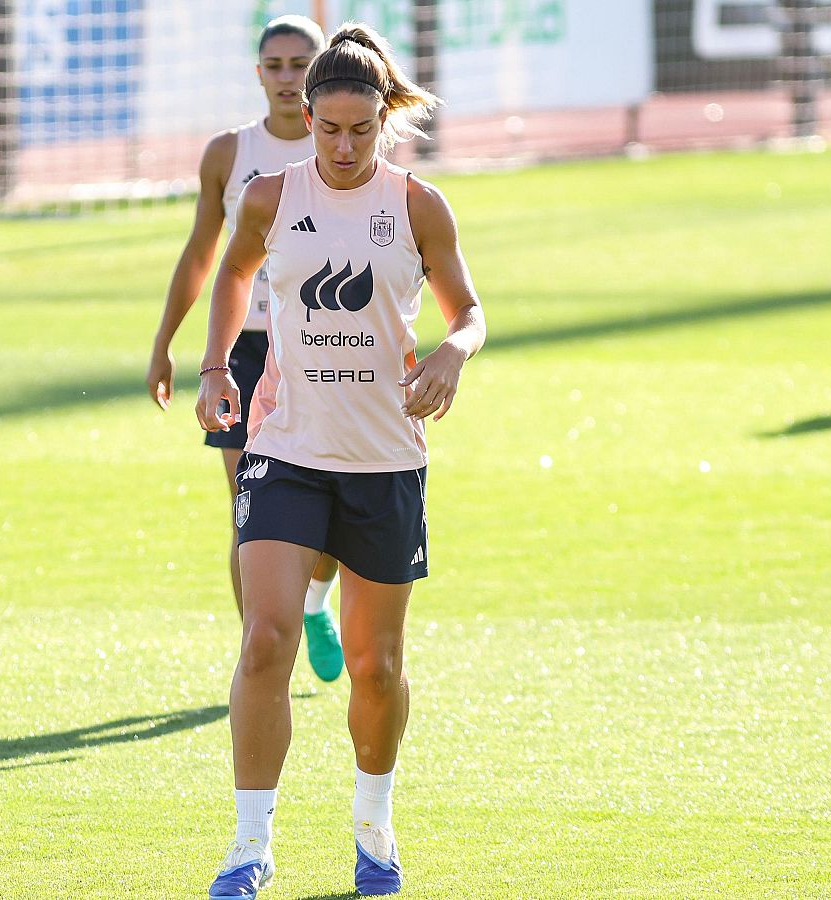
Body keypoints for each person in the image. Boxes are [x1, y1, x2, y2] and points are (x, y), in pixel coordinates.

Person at [195, 22, 484, 899]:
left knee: (376, 666)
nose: (346, 145)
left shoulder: (418, 205)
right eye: (331, 129)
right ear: (305, 115)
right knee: (266, 640)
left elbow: (469, 310)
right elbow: (234, 276)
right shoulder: (270, 198)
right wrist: (214, 366)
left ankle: (373, 827)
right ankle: (249, 847)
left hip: (387, 461)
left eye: (363, 129)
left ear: (384, 121)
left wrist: (450, 353)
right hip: (286, 450)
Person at [147, 15, 345, 682]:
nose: (288, 78)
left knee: (331, 520)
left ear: (322, 71)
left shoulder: (344, 148)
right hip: (244, 350)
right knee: (251, 511)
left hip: (325, 346)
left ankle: (315, 601)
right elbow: (204, 253)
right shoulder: (229, 154)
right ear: (258, 73)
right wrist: (167, 341)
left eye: (300, 65)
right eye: (276, 65)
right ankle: (260, 662)